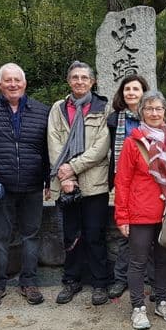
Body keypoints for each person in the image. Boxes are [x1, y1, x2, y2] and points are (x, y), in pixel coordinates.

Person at [114, 90, 166, 330]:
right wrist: (122, 216)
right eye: (149, 109)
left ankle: (162, 301)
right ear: (141, 112)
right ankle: (137, 307)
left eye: (158, 108)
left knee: (164, 259)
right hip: (140, 211)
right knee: (138, 261)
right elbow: (122, 181)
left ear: (165, 111)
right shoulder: (133, 142)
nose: (154, 113)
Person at [0, 63, 51, 307]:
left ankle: (29, 282)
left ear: (25, 83)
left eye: (17, 80)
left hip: (33, 184)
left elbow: (47, 148)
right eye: (8, 80)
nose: (13, 84)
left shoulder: (42, 111)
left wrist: (48, 179)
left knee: (30, 236)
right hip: (2, 185)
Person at [47, 61, 112, 306]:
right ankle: (71, 280)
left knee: (95, 234)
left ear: (93, 82)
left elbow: (101, 147)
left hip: (94, 181)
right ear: (68, 81)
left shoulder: (102, 108)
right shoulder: (58, 108)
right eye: (75, 77)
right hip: (66, 183)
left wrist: (73, 167)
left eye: (85, 77)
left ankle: (100, 283)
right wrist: (65, 176)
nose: (80, 81)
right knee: (71, 234)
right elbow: (53, 142)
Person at [106, 75, 151, 300]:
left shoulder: (153, 118)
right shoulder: (114, 120)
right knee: (125, 232)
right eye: (127, 89)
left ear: (144, 92)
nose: (131, 93)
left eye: (136, 89)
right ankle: (121, 278)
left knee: (151, 232)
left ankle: (150, 278)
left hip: (149, 184)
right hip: (123, 180)